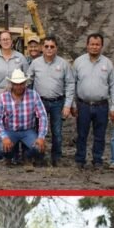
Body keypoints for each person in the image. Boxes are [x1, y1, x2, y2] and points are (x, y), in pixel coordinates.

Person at [27, 35, 74, 167]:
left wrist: (67, 105)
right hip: (39, 103)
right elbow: (28, 81)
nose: (49, 49)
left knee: (57, 132)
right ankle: (39, 157)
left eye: (52, 46)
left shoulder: (63, 64)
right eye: (46, 46)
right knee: (37, 131)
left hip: (57, 103)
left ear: (56, 48)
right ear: (42, 48)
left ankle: (56, 158)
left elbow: (70, 84)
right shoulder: (35, 63)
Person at [72, 33, 114, 170]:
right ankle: (80, 159)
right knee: (82, 134)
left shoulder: (108, 63)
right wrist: (73, 104)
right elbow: (71, 84)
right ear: (87, 45)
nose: (94, 47)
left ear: (101, 46)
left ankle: (97, 160)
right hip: (83, 105)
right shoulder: (78, 62)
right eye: (92, 44)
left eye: (97, 44)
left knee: (100, 135)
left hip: (101, 106)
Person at [0, 31, 28, 161]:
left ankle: (14, 154)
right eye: (3, 39)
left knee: (15, 125)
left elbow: (28, 78)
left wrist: (14, 86)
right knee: (0, 125)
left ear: (12, 41)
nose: (6, 41)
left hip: (16, 97)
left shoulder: (20, 58)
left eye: (8, 39)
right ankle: (0, 152)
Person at [0, 69, 48, 169]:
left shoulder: (33, 95)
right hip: (10, 130)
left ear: (25, 83)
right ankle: (9, 157)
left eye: (21, 83)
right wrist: (4, 136)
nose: (19, 86)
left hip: (28, 131)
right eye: (16, 84)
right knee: (2, 148)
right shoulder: (3, 97)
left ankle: (27, 156)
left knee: (39, 148)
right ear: (11, 84)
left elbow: (43, 116)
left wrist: (41, 137)